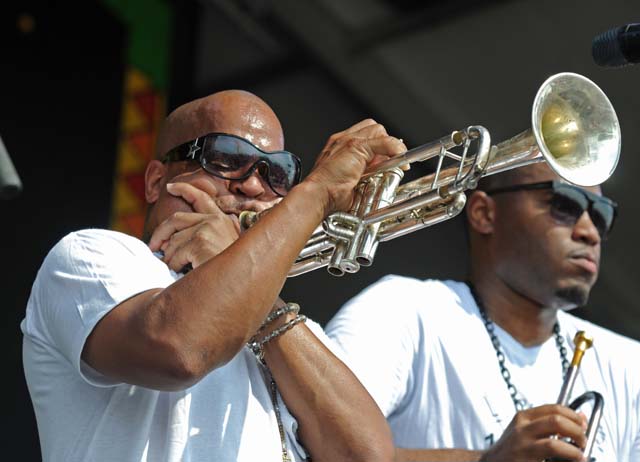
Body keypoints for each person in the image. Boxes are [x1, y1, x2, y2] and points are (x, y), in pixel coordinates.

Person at [21, 89, 406, 462]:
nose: (253, 185)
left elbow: (367, 455)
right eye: (226, 156)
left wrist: (263, 301)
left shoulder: (290, 327)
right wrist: (318, 192)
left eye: (276, 172)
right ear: (156, 181)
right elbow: (180, 350)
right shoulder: (93, 256)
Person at [326, 162, 640, 462]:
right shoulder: (400, 311)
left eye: (601, 214)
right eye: (564, 204)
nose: (588, 231)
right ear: (483, 214)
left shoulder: (636, 369)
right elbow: (316, 445)